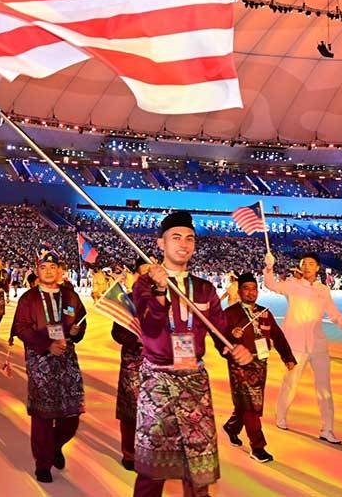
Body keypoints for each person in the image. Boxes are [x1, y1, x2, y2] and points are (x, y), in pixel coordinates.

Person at [132, 211, 253, 497]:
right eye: (176, 238)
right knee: (152, 469)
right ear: (161, 243)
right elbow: (149, 327)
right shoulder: (144, 285)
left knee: (198, 468)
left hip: (194, 382)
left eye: (189, 238)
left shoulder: (204, 288)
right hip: (158, 383)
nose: (184, 244)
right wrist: (160, 290)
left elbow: (219, 331)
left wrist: (233, 350)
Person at [264, 251, 342, 444]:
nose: (307, 266)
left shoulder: (323, 290)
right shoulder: (292, 285)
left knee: (324, 389)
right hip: (295, 344)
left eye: (311, 263)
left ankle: (327, 429)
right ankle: (281, 417)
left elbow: (333, 313)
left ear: (317, 267)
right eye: (304, 263)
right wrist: (269, 267)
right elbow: (271, 285)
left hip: (318, 345)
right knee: (290, 383)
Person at [12, 250, 87, 484]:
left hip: (67, 360)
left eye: (53, 267)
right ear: (38, 270)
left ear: (60, 271)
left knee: (71, 415)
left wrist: (76, 332)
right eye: (44, 267)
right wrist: (46, 345)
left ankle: (54, 446)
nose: (49, 271)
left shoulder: (70, 296)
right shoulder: (29, 298)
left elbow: (81, 321)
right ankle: (42, 462)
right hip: (40, 360)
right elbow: (21, 328)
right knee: (43, 415)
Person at [221, 272, 297, 463]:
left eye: (254, 289)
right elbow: (218, 337)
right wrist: (231, 335)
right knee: (251, 405)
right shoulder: (230, 314)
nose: (251, 292)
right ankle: (258, 446)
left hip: (260, 363)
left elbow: (277, 336)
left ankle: (231, 427)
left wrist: (287, 357)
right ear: (239, 292)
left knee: (248, 403)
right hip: (240, 364)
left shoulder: (264, 312)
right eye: (246, 289)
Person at [112, 261, 144, 472]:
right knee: (130, 411)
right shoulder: (127, 301)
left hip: (159, 365)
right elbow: (117, 332)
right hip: (133, 363)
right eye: (143, 274)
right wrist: (136, 341)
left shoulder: (165, 301)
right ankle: (130, 453)